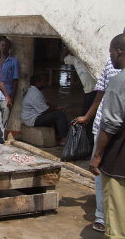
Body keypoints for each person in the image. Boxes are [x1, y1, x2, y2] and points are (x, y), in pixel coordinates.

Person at [75, 57, 120, 232]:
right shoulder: (111, 64)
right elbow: (100, 93)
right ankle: (102, 214)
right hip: (104, 125)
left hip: (115, 127)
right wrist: (88, 117)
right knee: (100, 172)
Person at [89, 33, 125, 239]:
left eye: (111, 53)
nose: (110, 58)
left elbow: (110, 124)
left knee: (117, 222)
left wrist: (97, 154)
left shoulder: (119, 82)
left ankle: (101, 218)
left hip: (118, 161)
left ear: (119, 52)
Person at [62, 47, 97, 148]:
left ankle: (90, 146)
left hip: (94, 91)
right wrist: (66, 48)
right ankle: (88, 145)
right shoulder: (74, 59)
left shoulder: (89, 58)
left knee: (89, 119)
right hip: (88, 92)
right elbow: (63, 59)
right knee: (87, 120)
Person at [21, 74, 68, 145]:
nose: (45, 84)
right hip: (33, 119)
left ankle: (58, 135)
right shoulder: (35, 94)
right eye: (43, 82)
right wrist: (56, 109)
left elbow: (45, 103)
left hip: (34, 117)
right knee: (59, 115)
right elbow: (44, 110)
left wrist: (55, 107)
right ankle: (64, 138)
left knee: (56, 113)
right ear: (37, 82)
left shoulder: (34, 90)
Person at [0, 38, 20, 143]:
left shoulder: (14, 62)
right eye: (2, 45)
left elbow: (15, 80)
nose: (4, 47)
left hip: (7, 93)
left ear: (9, 47)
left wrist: (12, 97)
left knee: (4, 118)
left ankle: (0, 137)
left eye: (6, 45)